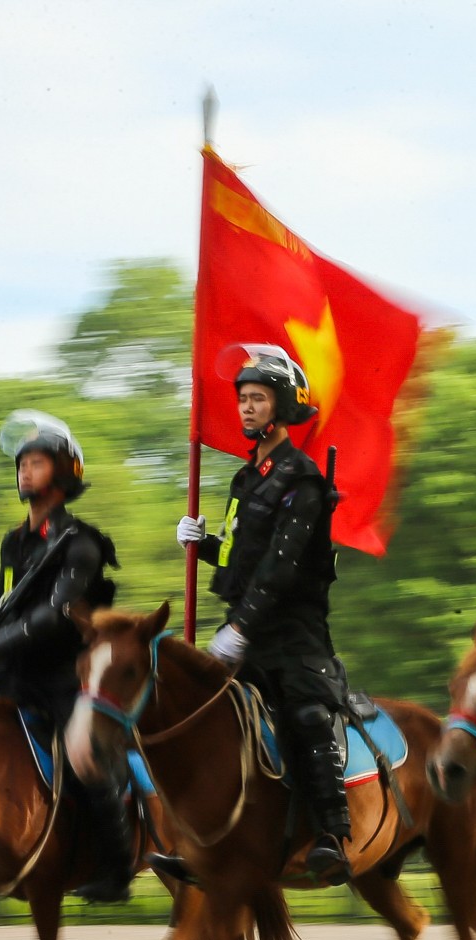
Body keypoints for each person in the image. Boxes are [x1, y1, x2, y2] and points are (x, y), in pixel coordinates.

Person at [155, 345, 352, 884]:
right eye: (243, 398)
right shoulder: (247, 480)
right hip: (244, 629)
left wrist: (240, 628)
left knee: (305, 714)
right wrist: (204, 545)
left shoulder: (304, 481)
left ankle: (331, 835)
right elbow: (247, 559)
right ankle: (201, 837)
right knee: (194, 714)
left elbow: (281, 568)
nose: (246, 408)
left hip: (293, 636)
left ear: (282, 406)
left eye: (258, 398)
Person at [0, 410, 129, 902]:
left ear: (65, 472)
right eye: (21, 463)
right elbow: (2, 602)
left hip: (65, 679)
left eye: (37, 462)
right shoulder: (14, 542)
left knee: (82, 755)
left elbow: (56, 616)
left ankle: (116, 867)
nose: (24, 470)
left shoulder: (84, 544)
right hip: (14, 678)